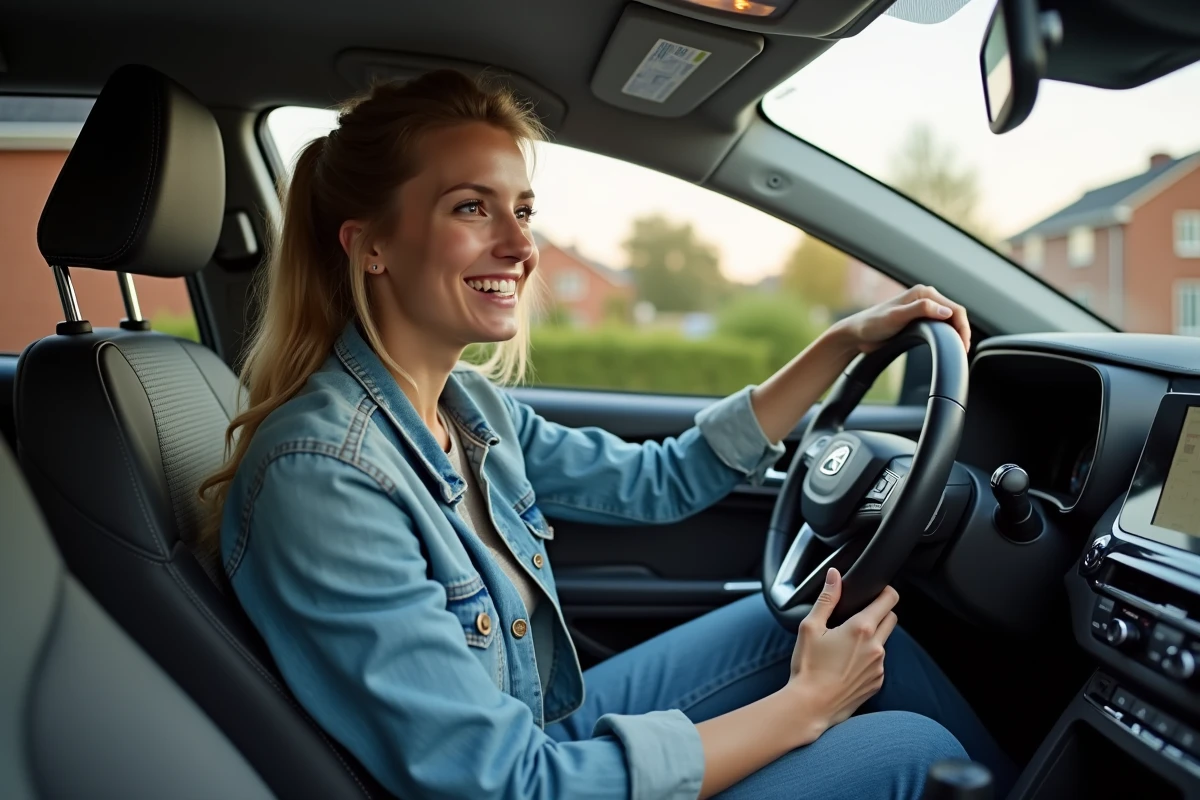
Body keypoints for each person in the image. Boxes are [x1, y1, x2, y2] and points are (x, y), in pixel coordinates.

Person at [200, 69, 1014, 800]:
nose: (521, 247)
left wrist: (843, 342)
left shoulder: (469, 408)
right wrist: (805, 708)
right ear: (370, 244)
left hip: (541, 740)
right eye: (472, 207)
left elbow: (665, 479)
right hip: (524, 778)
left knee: (845, 629)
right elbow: (507, 786)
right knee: (911, 749)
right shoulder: (324, 475)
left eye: (522, 210)